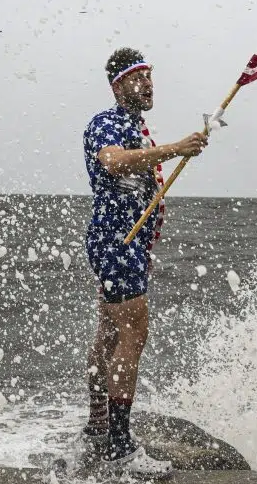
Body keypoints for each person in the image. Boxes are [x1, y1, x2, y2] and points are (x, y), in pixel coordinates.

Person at [80, 48, 208, 477]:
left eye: (150, 76)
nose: (149, 84)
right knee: (134, 333)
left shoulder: (136, 127)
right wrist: (175, 148)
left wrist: (174, 152)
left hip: (126, 244)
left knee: (110, 331)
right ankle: (119, 444)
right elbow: (112, 161)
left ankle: (98, 425)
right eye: (139, 78)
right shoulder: (108, 122)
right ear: (118, 86)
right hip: (117, 242)